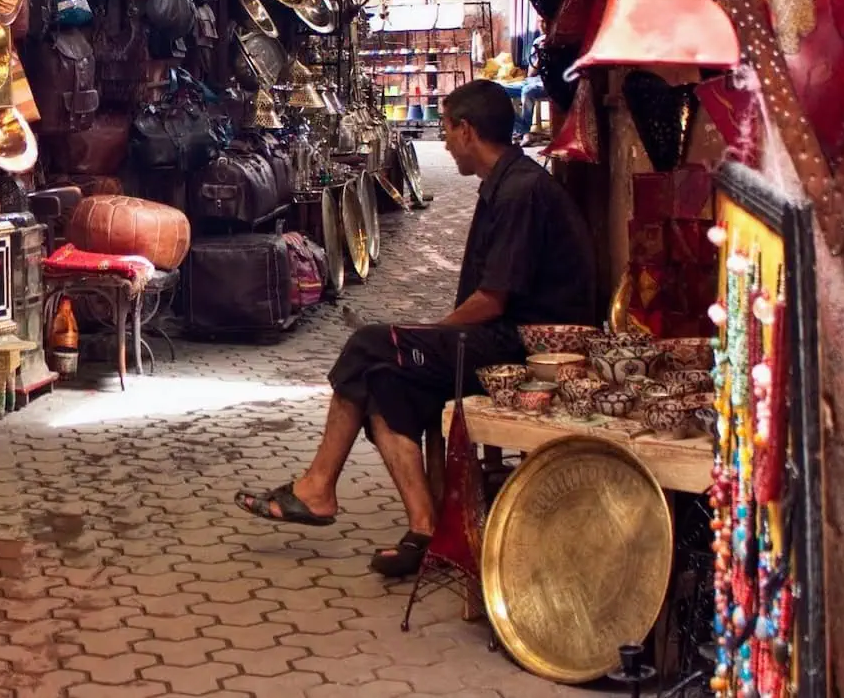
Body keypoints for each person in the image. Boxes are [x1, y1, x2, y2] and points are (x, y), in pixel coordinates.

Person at [234, 79, 596, 576]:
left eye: (447, 130)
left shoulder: (520, 192)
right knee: (382, 380)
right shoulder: (507, 183)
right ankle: (426, 530)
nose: (444, 141)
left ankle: (318, 488)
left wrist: (434, 334)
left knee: (369, 344)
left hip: (528, 350)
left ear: (467, 130)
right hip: (506, 337)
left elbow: (492, 300)